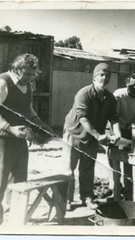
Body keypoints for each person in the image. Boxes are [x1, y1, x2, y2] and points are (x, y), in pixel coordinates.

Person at [0, 53, 52, 224]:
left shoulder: (28, 86)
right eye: (27, 73)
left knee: (20, 181)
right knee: (0, 182)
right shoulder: (3, 82)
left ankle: (15, 219)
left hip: (20, 139)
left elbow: (27, 108)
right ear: (17, 68)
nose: (30, 77)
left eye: (32, 74)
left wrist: (39, 123)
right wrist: (9, 128)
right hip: (3, 141)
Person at [63, 63, 121, 210]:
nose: (104, 78)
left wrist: (118, 134)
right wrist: (98, 135)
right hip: (74, 134)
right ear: (94, 77)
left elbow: (114, 118)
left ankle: (87, 197)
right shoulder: (83, 94)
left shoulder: (110, 98)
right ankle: (66, 200)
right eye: (101, 75)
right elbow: (83, 118)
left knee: (87, 168)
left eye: (107, 75)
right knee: (69, 168)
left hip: (92, 138)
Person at [113, 71, 135, 200]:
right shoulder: (119, 95)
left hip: (131, 131)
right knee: (114, 161)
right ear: (127, 83)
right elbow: (113, 117)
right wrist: (126, 126)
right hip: (115, 128)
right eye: (132, 85)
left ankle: (128, 191)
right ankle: (115, 191)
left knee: (129, 162)